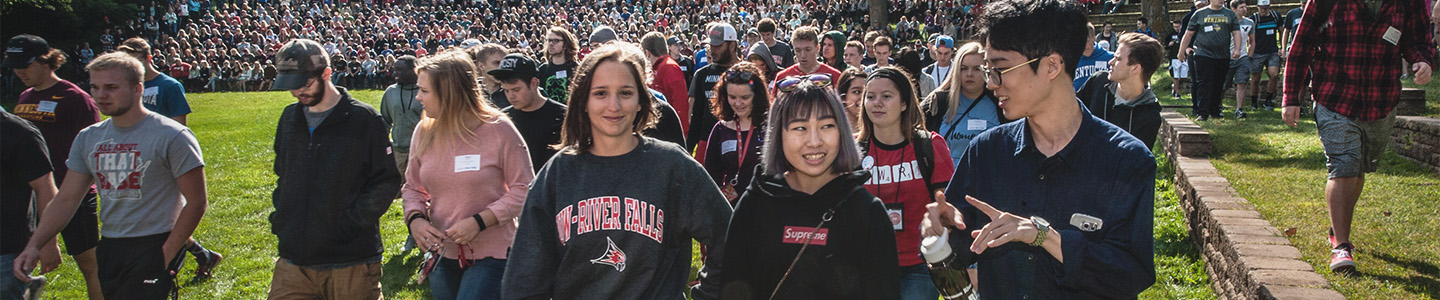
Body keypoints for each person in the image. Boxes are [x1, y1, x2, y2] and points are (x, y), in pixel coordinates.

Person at [920, 0, 1157, 298]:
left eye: (1000, 69)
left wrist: (1047, 238)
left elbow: (1131, 274)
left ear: (1052, 66)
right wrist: (940, 231)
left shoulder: (1127, 160)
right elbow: (963, 249)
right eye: (987, 69)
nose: (991, 83)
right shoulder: (987, 153)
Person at [500, 43, 731, 300]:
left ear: (641, 101)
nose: (614, 105)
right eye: (600, 93)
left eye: (625, 93)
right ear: (583, 101)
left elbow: (730, 238)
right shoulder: (558, 174)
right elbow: (524, 279)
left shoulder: (673, 167)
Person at [12, 52, 210, 300]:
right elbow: (66, 199)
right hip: (110, 245)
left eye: (111, 87)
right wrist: (35, 245)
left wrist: (165, 253)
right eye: (94, 87)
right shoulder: (89, 137)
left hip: (154, 242)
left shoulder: (172, 135)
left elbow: (197, 202)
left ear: (138, 88)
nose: (100, 95)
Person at [1281, 0, 1434, 273]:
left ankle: (1337, 225)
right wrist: (1291, 96)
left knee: (1359, 166)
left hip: (1381, 98)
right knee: (1344, 163)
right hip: (1334, 94)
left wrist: (1422, 60)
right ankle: (1341, 247)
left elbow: (1417, 39)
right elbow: (1302, 44)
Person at [719, 79, 899, 299]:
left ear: (842, 131)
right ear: (779, 135)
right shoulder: (755, 204)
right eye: (800, 128)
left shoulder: (867, 211)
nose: (814, 141)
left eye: (826, 126)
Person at [266, 39, 401, 300]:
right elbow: (283, 174)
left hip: (350, 258)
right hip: (294, 257)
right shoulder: (289, 118)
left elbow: (386, 182)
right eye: (290, 86)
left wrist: (349, 224)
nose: (296, 93)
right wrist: (282, 219)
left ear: (326, 74)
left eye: (304, 84)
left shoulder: (365, 119)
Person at [402, 51, 532, 300]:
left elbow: (525, 189)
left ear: (449, 92)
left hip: (493, 253)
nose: (418, 97)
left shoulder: (499, 129)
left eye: (424, 91)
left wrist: (480, 221)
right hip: (442, 252)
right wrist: (416, 220)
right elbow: (412, 188)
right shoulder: (423, 131)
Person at [4, 34, 105, 299]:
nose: (19, 72)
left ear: (46, 60)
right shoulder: (25, 96)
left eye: (25, 65)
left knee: (89, 264)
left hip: (72, 195)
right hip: (30, 196)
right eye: (14, 66)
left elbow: (94, 148)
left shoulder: (75, 98)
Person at [858, 67, 955, 300]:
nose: (877, 103)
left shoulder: (929, 145)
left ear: (904, 103)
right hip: (868, 263)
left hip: (919, 263)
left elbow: (947, 203)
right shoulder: (852, 150)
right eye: (870, 97)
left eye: (887, 96)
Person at [1, 110, 60, 299]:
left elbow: (45, 188)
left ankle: (25, 287)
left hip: (8, 249)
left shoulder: (19, 133)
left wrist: (48, 242)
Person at [1077, 33, 1166, 149]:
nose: (1110, 62)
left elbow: (1134, 162)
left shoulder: (1149, 117)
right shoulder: (1098, 82)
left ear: (1136, 68)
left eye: (1118, 59)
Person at [921, 42, 1004, 163]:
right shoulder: (939, 102)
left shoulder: (1000, 103)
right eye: (964, 68)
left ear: (986, 71)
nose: (969, 74)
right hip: (947, 180)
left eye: (977, 69)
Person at [701, 62, 770, 203]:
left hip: (765, 206)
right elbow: (711, 176)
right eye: (732, 97)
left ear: (757, 96)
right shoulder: (720, 129)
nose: (738, 103)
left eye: (745, 98)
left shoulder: (771, 127)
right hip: (731, 207)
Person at [491, 53, 567, 173]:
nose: (511, 96)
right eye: (506, 90)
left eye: (516, 89)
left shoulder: (564, 116)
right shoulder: (502, 120)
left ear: (533, 83)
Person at [380, 55, 423, 252]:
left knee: (423, 193)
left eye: (400, 69)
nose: (395, 73)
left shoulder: (425, 91)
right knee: (402, 193)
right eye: (394, 69)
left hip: (423, 150)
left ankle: (416, 235)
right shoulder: (390, 92)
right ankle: (413, 230)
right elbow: (385, 120)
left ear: (414, 70)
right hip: (399, 150)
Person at [1179, 0, 1244, 120]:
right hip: (1203, 54)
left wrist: (1238, 49)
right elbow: (1188, 34)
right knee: (1204, 83)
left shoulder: (1230, 14)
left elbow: (1236, 32)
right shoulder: (1200, 14)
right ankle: (1202, 113)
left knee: (1218, 83)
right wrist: (1181, 51)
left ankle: (1215, 110)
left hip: (1222, 55)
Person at [689, 22, 741, 152]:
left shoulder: (747, 73)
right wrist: (689, 147)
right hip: (706, 142)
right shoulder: (702, 74)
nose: (712, 49)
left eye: (717, 45)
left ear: (732, 45)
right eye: (710, 45)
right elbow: (697, 115)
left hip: (738, 141)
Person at [116, 38, 192, 126]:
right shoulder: (125, 87)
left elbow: (179, 129)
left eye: (136, 61)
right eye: (126, 62)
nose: (131, 66)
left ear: (149, 58)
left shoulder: (170, 86)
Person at [643, 32, 692, 132]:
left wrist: (680, 133)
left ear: (647, 53)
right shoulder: (658, 68)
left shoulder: (670, 68)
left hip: (668, 132)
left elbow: (680, 103)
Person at [774, 26, 844, 93]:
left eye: (808, 50)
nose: (803, 55)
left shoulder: (834, 76)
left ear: (818, 48)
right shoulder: (782, 78)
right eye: (798, 50)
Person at [1247, 0, 1283, 110]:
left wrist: (1281, 46)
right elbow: (1249, 37)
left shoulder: (1275, 16)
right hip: (1258, 52)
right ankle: (1254, 102)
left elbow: (1281, 30)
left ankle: (1268, 100)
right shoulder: (1254, 19)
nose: (1263, 10)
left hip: (1272, 51)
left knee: (1274, 75)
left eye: (1266, 7)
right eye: (1262, 7)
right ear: (1257, 6)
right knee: (1255, 78)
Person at [1224, 0, 1256, 119]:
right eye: (1241, 7)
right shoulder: (1227, 22)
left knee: (1241, 83)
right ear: (1233, 9)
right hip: (1227, 57)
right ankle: (1218, 106)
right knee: (1223, 84)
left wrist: (1250, 54)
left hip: (1243, 57)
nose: (1244, 9)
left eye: (1245, 7)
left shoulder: (1250, 23)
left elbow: (1252, 40)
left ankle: (1239, 109)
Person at [539, 27, 580, 105]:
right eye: (549, 40)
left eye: (555, 41)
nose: (551, 44)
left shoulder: (577, 69)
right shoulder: (542, 69)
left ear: (565, 44)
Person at [467, 43, 512, 109]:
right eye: (496, 63)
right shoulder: (470, 93)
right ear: (481, 66)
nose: (501, 67)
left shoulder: (513, 93)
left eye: (505, 63)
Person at [1074, 23, 1116, 92]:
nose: (1082, 44)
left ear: (1094, 38)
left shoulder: (1110, 58)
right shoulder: (1071, 60)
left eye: (1086, 40)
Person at [837, 68, 868, 132]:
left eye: (867, 92)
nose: (863, 97)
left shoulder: (877, 131)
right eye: (857, 92)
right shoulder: (835, 131)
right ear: (843, 97)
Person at [1167, 20, 1190, 99]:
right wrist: (1169, 45)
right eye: (1175, 27)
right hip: (1174, 57)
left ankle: (1175, 86)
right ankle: (1177, 93)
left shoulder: (1185, 34)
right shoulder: (1171, 34)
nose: (1176, 28)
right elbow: (1165, 46)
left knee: (1184, 76)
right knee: (1176, 76)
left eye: (1178, 27)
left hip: (1184, 57)